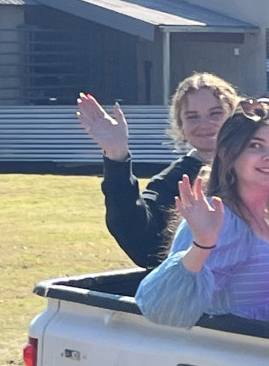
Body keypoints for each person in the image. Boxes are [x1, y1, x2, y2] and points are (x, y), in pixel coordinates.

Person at [135, 101, 269, 327]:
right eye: (255, 146)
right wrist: (203, 243)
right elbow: (164, 309)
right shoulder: (218, 216)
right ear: (228, 154)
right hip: (237, 354)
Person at [77, 73, 239, 268]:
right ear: (181, 125)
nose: (204, 124)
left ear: (235, 115)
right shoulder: (174, 182)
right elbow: (142, 243)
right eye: (192, 116)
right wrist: (116, 153)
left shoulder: (265, 168)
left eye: (215, 113)